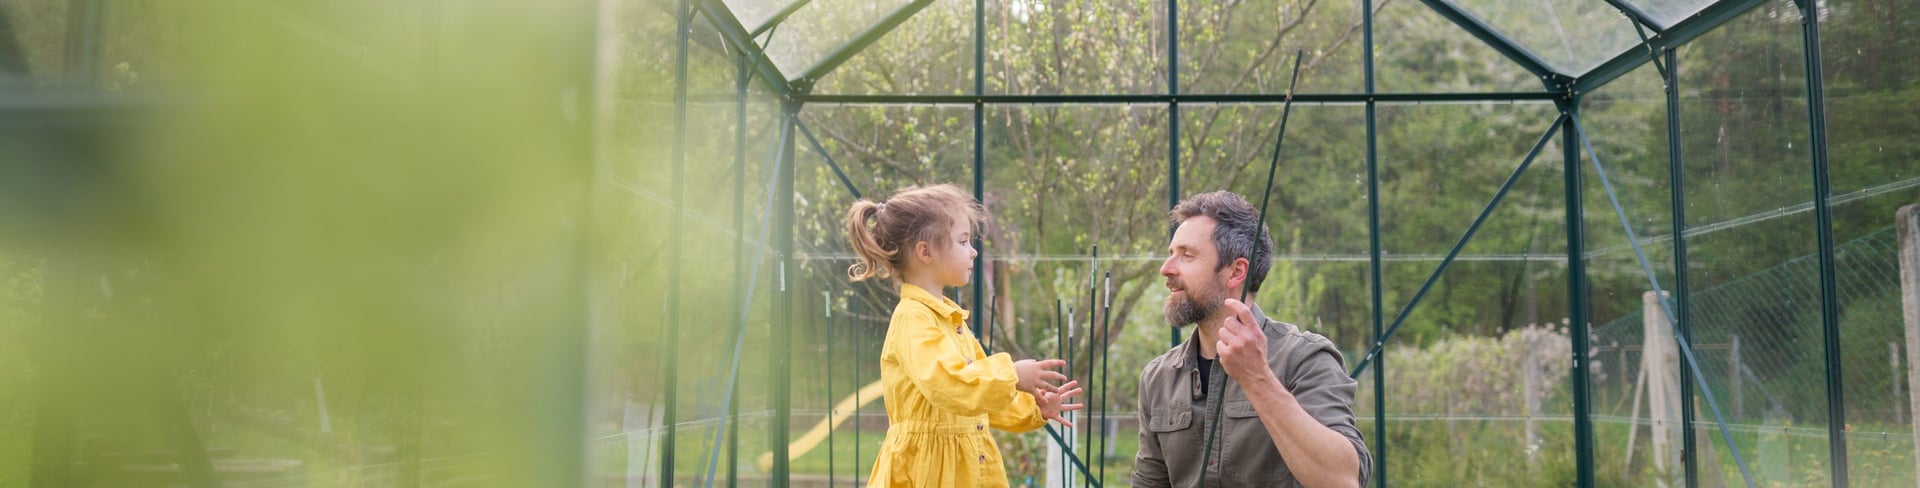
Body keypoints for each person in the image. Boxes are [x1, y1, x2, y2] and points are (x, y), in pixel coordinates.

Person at [845, 183, 1085, 488]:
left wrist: (1033, 408)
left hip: (966, 472)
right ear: (925, 252)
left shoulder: (949, 319)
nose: (973, 251)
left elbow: (979, 397)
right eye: (962, 241)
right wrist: (1011, 374)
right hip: (927, 475)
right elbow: (951, 385)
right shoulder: (913, 319)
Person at [1132, 191, 1370, 488]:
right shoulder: (1158, 378)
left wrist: (1257, 379)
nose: (1166, 269)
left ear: (1236, 272)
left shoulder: (1305, 359)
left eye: (1187, 255)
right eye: (1170, 254)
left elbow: (1342, 480)